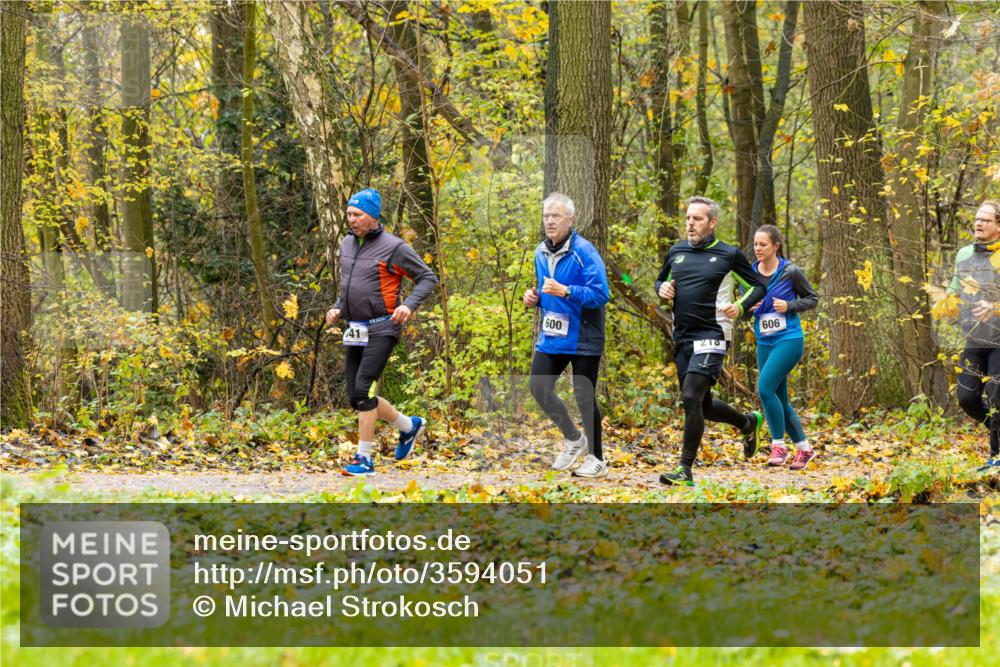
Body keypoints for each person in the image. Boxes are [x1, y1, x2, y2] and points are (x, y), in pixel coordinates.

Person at [325, 188, 438, 476]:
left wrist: (409, 305)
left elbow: (427, 277)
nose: (351, 219)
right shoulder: (347, 244)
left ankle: (364, 458)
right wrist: (338, 308)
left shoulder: (394, 247)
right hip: (355, 330)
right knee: (355, 397)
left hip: (384, 327)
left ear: (373, 216)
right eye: (349, 214)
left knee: (364, 390)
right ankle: (409, 426)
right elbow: (348, 285)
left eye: (358, 214)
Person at [655, 196, 766, 486]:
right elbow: (660, 281)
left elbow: (759, 285)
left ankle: (684, 469)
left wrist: (740, 307)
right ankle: (747, 422)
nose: (690, 223)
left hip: (714, 334)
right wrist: (662, 288)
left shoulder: (729, 255)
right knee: (701, 406)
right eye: (688, 218)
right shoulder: (676, 251)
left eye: (698, 219)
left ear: (712, 222)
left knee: (690, 396)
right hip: (682, 337)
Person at [523, 192, 610, 478]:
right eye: (546, 216)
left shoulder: (584, 252)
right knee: (538, 386)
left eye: (556, 216)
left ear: (570, 219)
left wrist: (567, 290)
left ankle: (597, 459)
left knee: (584, 395)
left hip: (584, 336)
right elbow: (545, 289)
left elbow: (601, 294)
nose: (549, 221)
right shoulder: (539, 251)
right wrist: (534, 298)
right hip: (553, 335)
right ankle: (574, 439)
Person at [746, 225, 818, 470]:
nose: (758, 249)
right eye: (755, 244)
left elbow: (812, 298)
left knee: (765, 388)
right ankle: (805, 449)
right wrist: (748, 308)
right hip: (764, 340)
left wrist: (789, 306)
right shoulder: (749, 274)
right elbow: (743, 304)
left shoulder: (790, 272)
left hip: (789, 339)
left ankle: (778, 445)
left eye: (763, 244)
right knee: (779, 397)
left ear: (776, 246)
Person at [949, 200, 1000, 473]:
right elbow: (955, 286)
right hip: (975, 337)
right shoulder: (964, 255)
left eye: (985, 220)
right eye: (977, 219)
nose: (978, 224)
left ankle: (997, 456)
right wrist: (946, 302)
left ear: (999, 226)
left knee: (996, 394)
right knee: (967, 397)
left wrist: (995, 307)